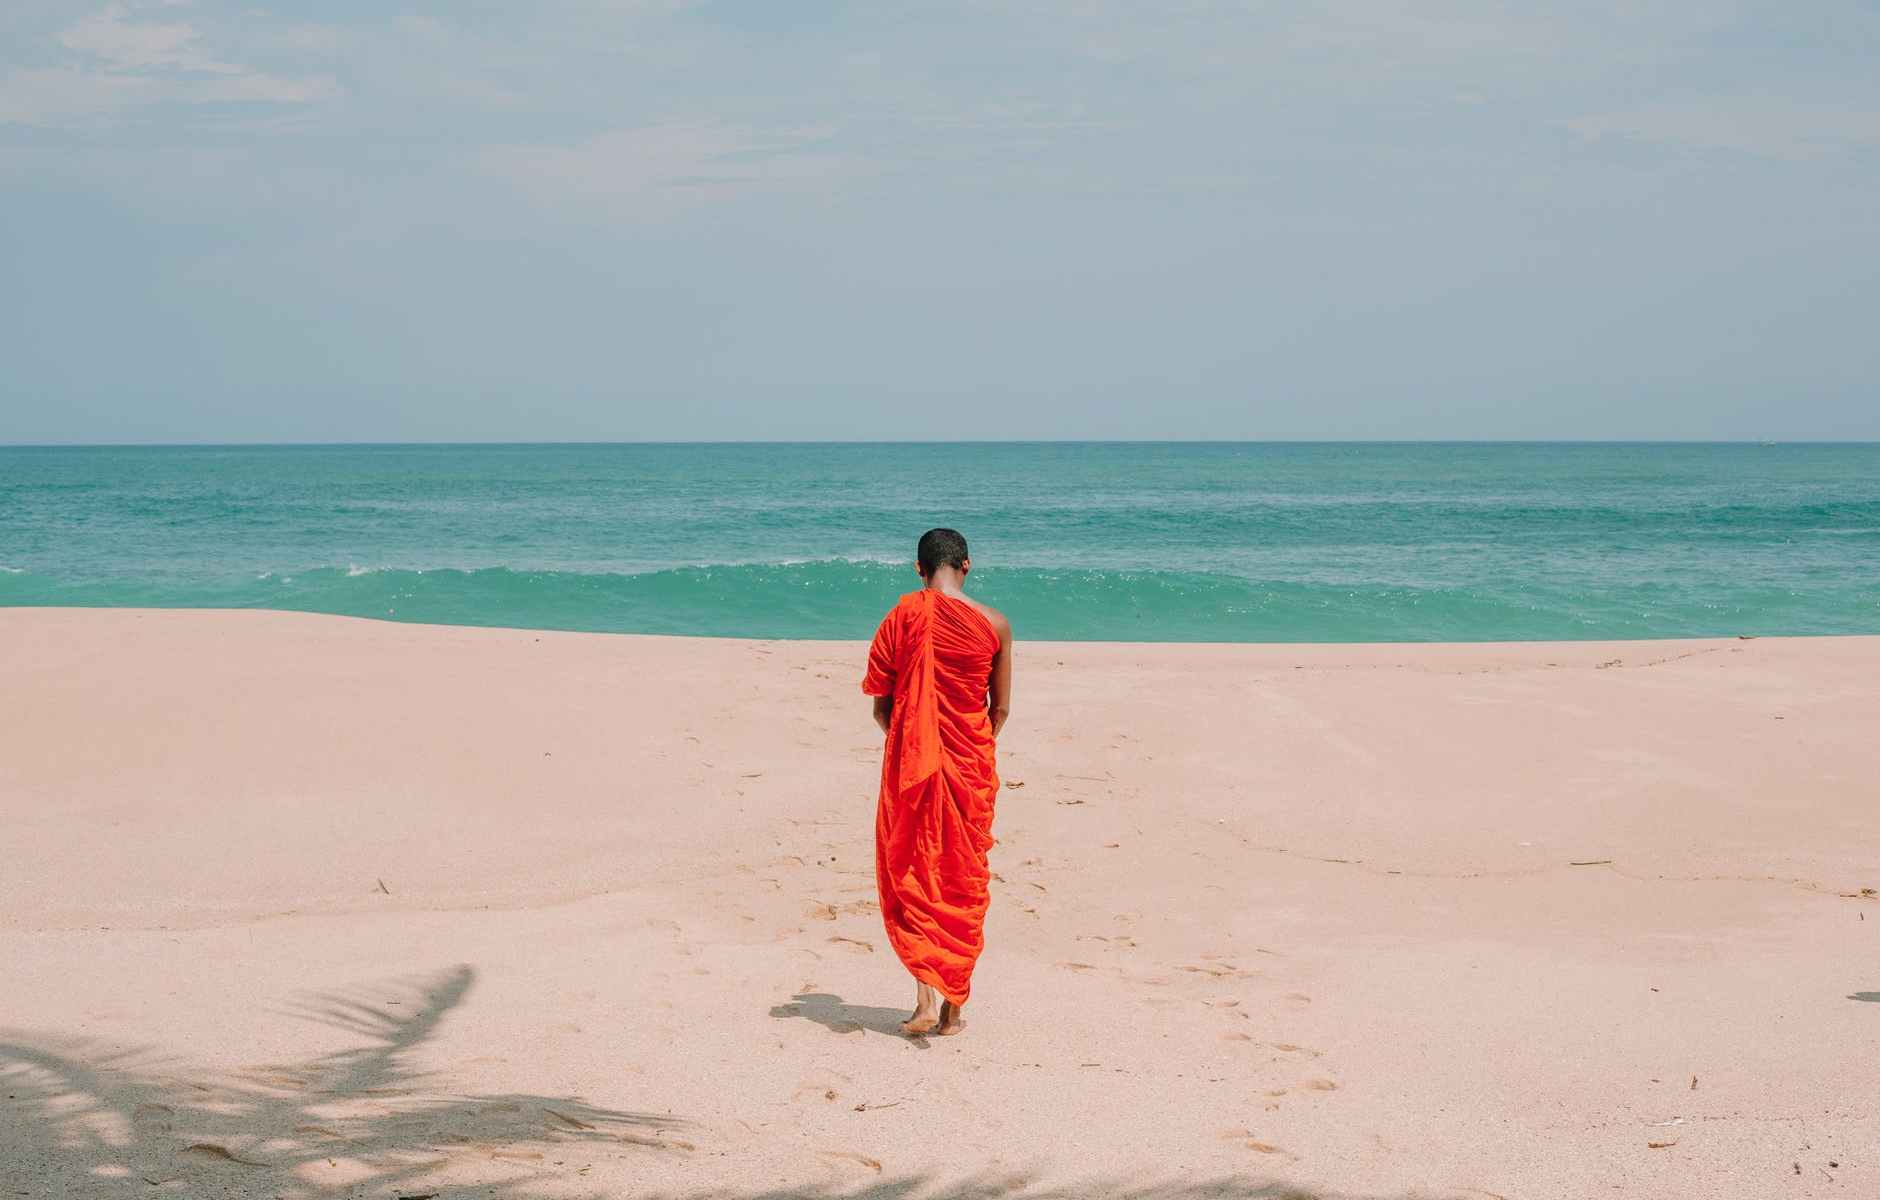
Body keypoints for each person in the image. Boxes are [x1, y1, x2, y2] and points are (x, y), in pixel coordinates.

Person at [861, 528, 1013, 1036]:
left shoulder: (901, 616)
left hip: (912, 765)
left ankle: (925, 999)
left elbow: (882, 705)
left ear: (918, 568)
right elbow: (1002, 708)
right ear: (967, 565)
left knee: (914, 869)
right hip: (969, 765)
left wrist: (914, 741)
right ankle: (953, 1007)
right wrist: (967, 746)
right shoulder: (995, 624)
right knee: (961, 875)